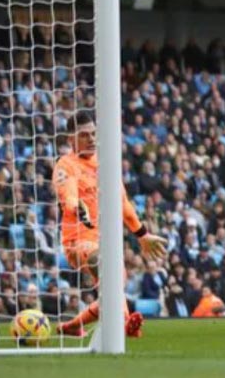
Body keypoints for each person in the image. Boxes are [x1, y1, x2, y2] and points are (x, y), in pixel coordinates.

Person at [54, 113, 167, 337]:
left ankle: (73, 325)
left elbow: (122, 203)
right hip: (78, 241)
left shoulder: (106, 163)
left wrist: (142, 234)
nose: (91, 139)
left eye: (94, 134)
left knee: (114, 288)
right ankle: (125, 323)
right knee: (102, 262)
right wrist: (77, 207)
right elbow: (68, 195)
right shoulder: (65, 165)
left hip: (107, 240)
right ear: (71, 140)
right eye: (84, 135)